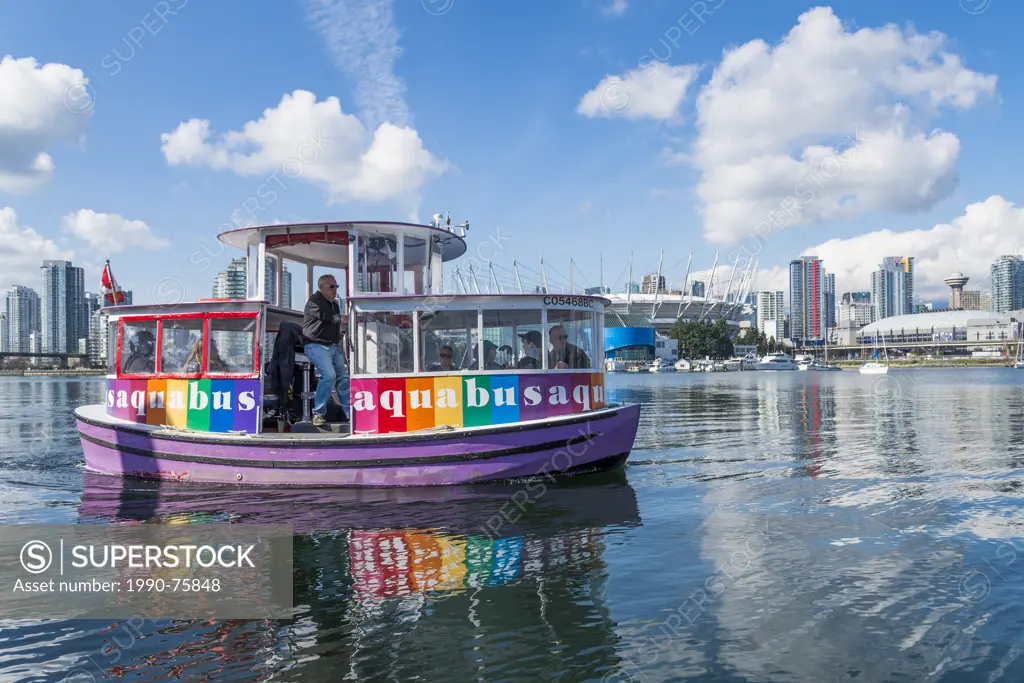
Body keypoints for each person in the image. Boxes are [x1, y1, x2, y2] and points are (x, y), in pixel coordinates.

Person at [303, 274, 350, 426]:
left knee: (343, 378)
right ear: (322, 288)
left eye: (336, 287)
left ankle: (350, 414)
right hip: (315, 344)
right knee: (329, 375)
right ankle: (318, 413)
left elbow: (333, 324)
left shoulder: (334, 304)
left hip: (332, 346)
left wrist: (340, 335)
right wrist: (349, 318)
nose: (335, 290)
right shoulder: (313, 302)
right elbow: (329, 317)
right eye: (332, 287)